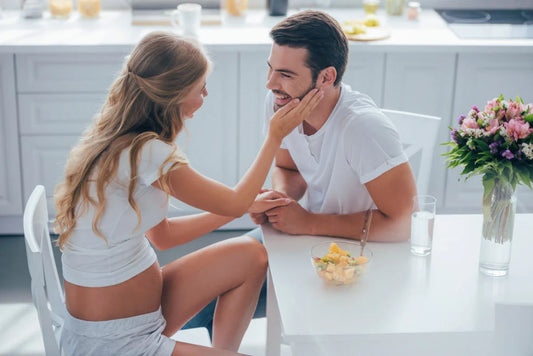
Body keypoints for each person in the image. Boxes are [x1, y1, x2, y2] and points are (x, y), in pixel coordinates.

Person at [53, 31, 322, 356]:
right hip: (118, 343)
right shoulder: (148, 153)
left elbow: (162, 237)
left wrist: (245, 206)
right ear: (174, 95)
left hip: (125, 321)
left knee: (251, 256)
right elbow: (234, 200)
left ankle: (224, 350)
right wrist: (274, 136)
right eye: (200, 88)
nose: (206, 94)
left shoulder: (120, 141)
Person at [185, 10, 418, 335]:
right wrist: (280, 198)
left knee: (217, 297)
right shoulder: (281, 104)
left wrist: (308, 222)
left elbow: (404, 223)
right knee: (201, 292)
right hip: (306, 236)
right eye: (270, 69)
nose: (270, 84)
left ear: (325, 77)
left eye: (285, 74)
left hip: (359, 255)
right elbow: (287, 167)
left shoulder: (363, 129)